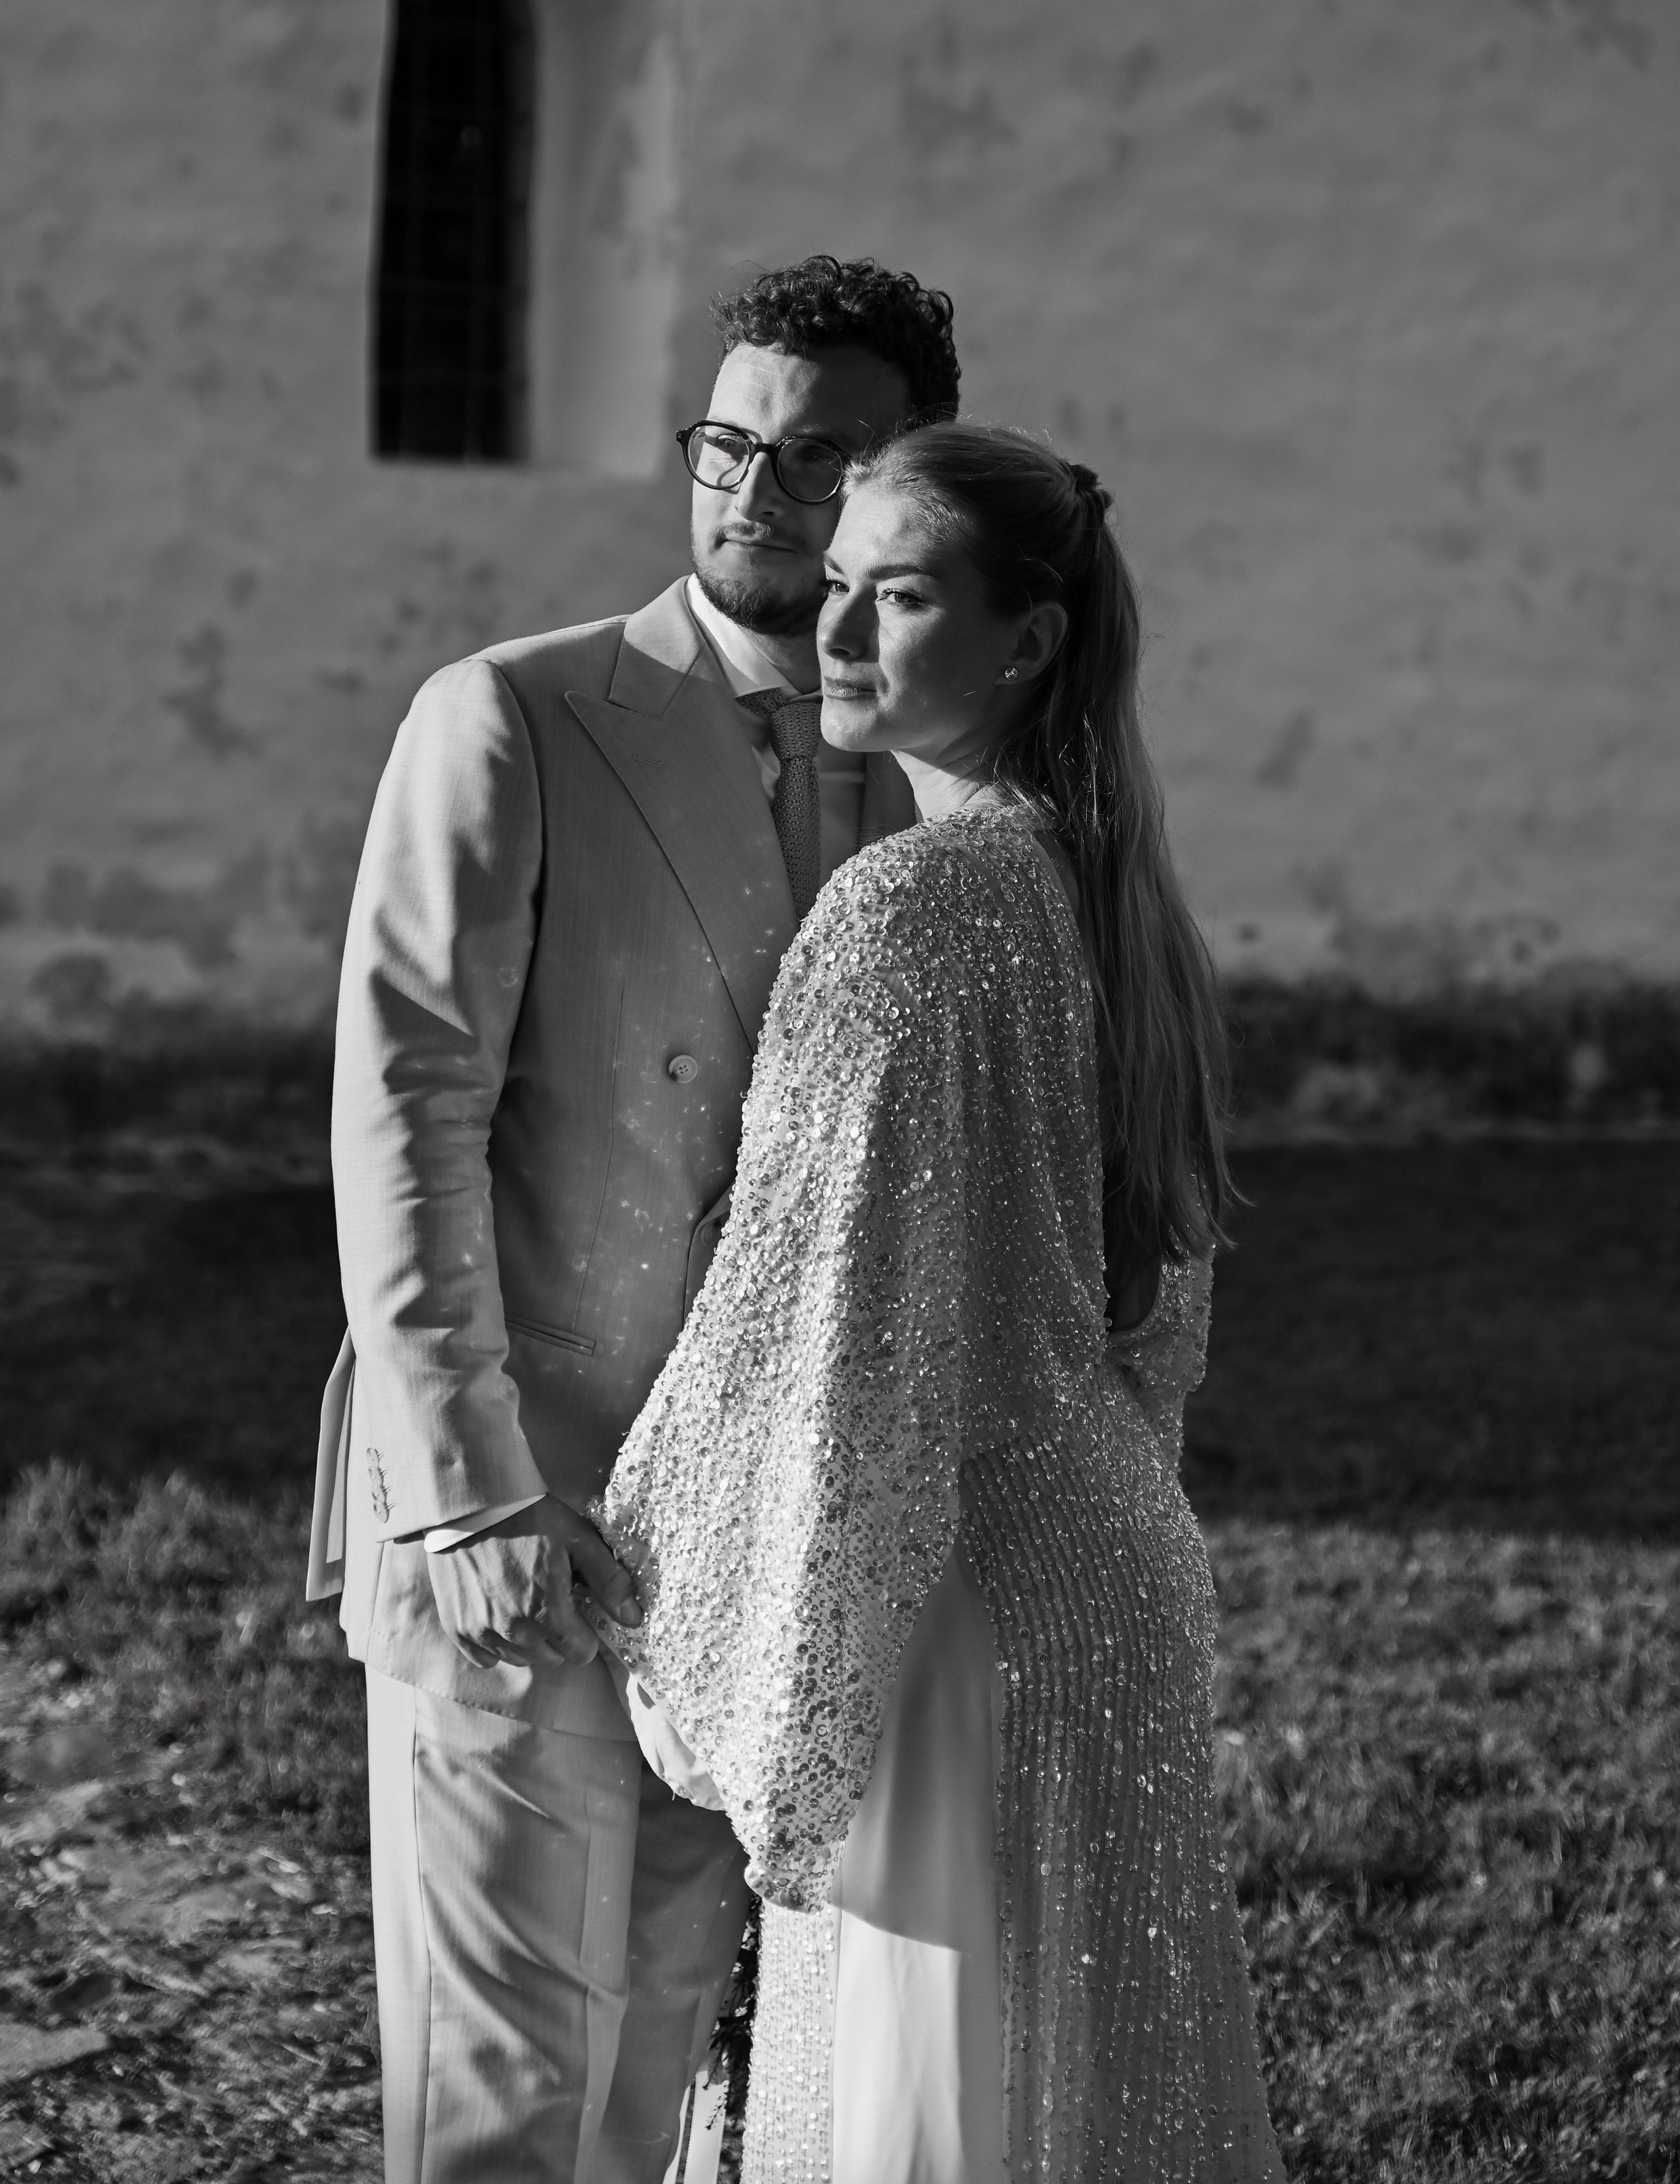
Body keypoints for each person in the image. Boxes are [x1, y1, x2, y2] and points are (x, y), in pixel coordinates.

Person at [305, 256, 959, 2184]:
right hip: (526, 1492)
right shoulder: (509, 718)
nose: (752, 496)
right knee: (498, 2090)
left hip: (766, 1520)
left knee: (664, 2058)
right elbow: (404, 1107)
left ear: (902, 480)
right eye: (725, 446)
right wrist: (465, 1493)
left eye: (815, 458)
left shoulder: (934, 783)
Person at [600, 424, 1286, 2181]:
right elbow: (1152, 1322)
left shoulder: (906, 906)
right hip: (1108, 1566)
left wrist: (652, 1552)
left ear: (1027, 638)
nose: (835, 635)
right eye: (832, 590)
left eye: (895, 598)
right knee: (1086, 2094)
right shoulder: (1111, 895)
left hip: (955, 1600)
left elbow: (825, 1326)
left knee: (951, 2113)